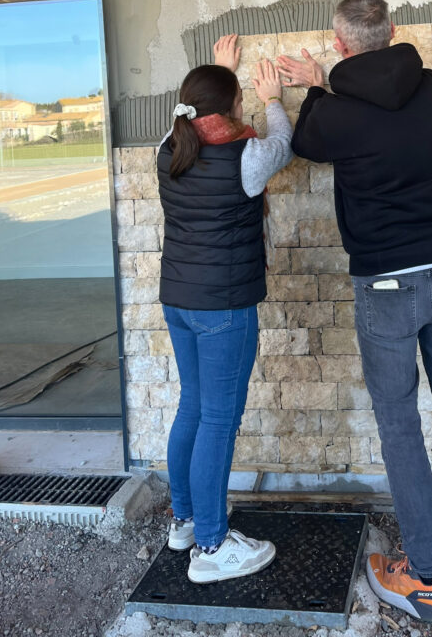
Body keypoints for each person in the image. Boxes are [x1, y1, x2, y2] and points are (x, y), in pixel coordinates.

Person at [277, 0, 432, 623]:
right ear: (393, 32)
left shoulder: (334, 114)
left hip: (387, 286)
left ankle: (425, 576)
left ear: (340, 44)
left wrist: (317, 84)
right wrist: (333, 82)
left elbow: (305, 141)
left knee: (400, 426)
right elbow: (382, 95)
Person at [156, 34, 292, 584]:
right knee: (218, 419)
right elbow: (284, 142)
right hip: (224, 308)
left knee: (193, 406)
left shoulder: (168, 147)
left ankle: (186, 521)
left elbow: (190, 113)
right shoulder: (246, 155)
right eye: (238, 102)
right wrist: (275, 99)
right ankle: (212, 548)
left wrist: (220, 71)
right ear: (234, 108)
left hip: (179, 302)